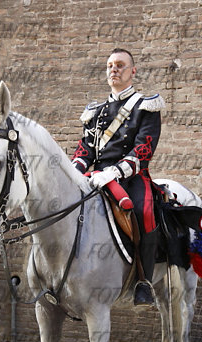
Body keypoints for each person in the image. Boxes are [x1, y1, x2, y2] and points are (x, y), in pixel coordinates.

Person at [71, 48, 165, 305]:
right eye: (111, 65)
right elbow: (85, 149)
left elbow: (143, 150)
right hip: (97, 176)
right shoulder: (96, 112)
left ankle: (143, 280)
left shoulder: (146, 107)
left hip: (131, 175)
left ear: (132, 71)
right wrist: (74, 171)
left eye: (121, 65)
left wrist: (114, 171)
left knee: (145, 214)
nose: (114, 69)